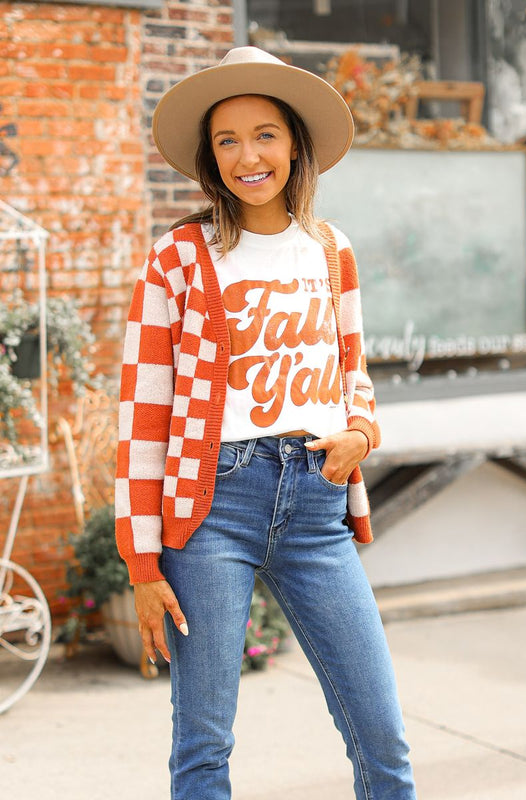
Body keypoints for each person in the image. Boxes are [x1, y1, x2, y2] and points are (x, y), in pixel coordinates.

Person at [115, 46, 417, 800]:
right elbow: (142, 414)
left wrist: (361, 434)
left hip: (317, 502)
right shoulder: (178, 260)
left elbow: (354, 372)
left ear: (294, 144)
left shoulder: (330, 249)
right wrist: (142, 565)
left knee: (380, 735)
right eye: (227, 140)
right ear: (209, 158)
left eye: (264, 135)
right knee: (204, 743)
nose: (247, 156)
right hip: (210, 507)